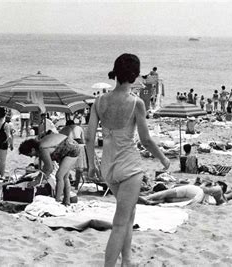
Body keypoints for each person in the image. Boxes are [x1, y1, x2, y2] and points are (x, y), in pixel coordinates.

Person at [85, 53, 170, 267]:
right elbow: (146, 140)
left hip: (108, 166)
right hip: (129, 167)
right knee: (120, 223)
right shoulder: (136, 103)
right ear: (133, 76)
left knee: (129, 212)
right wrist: (163, 159)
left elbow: (88, 137)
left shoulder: (99, 101)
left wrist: (91, 166)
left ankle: (127, 261)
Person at [19, 133, 80, 205]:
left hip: (71, 149)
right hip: (67, 147)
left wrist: (37, 181)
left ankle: (56, 201)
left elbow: (49, 168)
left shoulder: (42, 148)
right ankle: (66, 201)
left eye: (29, 155)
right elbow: (46, 168)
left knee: (59, 176)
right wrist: (39, 179)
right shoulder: (40, 146)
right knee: (64, 177)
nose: (31, 157)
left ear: (32, 149)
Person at [139, 180, 232, 206]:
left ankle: (148, 198)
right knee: (168, 200)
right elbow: (230, 194)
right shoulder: (221, 196)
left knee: (166, 195)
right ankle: (149, 200)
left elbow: (203, 188)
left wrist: (204, 183)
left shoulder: (216, 190)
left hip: (197, 193)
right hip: (198, 199)